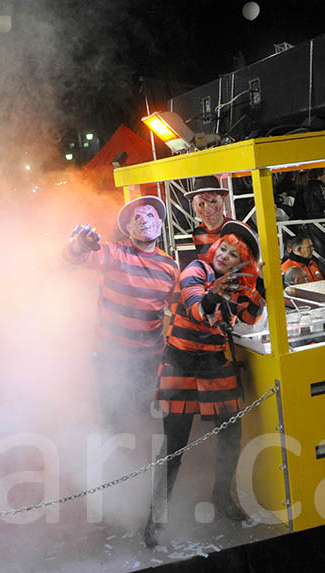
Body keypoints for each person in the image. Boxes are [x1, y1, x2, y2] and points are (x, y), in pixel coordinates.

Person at [144, 221, 265, 546]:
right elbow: (199, 309)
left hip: (214, 366)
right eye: (223, 248)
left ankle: (221, 498)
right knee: (174, 448)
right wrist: (216, 293)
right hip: (181, 366)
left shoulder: (239, 282)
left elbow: (252, 316)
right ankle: (155, 517)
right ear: (215, 248)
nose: (224, 255)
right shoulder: (194, 269)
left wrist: (256, 283)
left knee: (231, 437)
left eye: (233, 254)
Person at [63, 196, 179, 433]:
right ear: (128, 229)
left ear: (159, 224)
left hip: (149, 359)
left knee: (147, 422)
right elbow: (73, 258)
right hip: (112, 357)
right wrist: (79, 245)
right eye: (136, 217)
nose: (143, 221)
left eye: (149, 216)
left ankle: (143, 466)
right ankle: (117, 468)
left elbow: (178, 310)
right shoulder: (115, 253)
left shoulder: (170, 267)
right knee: (113, 421)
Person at [181, 175, 232, 269]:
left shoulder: (238, 229)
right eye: (201, 204)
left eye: (213, 201)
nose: (208, 209)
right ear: (194, 207)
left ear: (223, 201)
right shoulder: (198, 234)